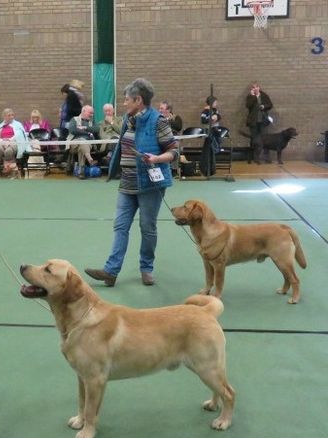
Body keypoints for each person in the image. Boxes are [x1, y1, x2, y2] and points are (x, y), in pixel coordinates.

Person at [85, 78, 177, 286]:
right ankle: (111, 270)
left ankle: (146, 267)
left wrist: (156, 159)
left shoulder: (158, 120)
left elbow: (173, 150)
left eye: (127, 99)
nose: (124, 103)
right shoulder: (128, 119)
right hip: (127, 183)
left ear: (138, 100)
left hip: (149, 184)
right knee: (120, 226)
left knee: (147, 227)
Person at [0, 108, 29, 179]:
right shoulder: (1, 126)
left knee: (8, 151)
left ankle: (13, 172)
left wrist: (9, 141)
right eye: (9, 115)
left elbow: (18, 136)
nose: (11, 117)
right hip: (2, 143)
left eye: (12, 115)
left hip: (15, 143)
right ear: (4, 116)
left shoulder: (17, 125)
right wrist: (3, 141)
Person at [66, 104, 100, 179]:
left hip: (88, 144)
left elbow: (97, 129)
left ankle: (82, 172)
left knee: (82, 145)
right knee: (82, 142)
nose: (92, 115)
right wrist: (87, 132)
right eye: (90, 113)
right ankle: (86, 164)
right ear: (83, 111)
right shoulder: (74, 119)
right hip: (74, 143)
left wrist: (84, 127)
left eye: (92, 113)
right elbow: (73, 130)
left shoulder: (92, 121)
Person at [245, 82, 273, 163]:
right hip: (253, 122)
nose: (255, 88)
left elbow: (270, 105)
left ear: (259, 87)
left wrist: (264, 106)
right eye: (253, 87)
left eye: (256, 87)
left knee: (265, 139)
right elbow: (248, 105)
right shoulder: (250, 97)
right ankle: (253, 157)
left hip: (263, 121)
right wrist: (253, 96)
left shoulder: (264, 95)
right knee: (253, 139)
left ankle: (266, 157)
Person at [199, 95, 222, 176]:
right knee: (208, 151)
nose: (217, 103)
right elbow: (203, 120)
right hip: (209, 133)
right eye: (215, 102)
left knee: (213, 150)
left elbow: (219, 117)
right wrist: (212, 118)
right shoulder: (205, 111)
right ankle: (205, 169)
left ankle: (212, 169)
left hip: (215, 132)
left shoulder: (215, 110)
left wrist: (216, 116)